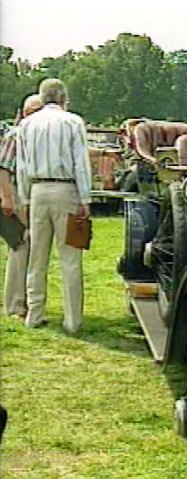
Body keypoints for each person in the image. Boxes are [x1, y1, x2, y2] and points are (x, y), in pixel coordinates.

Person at [16, 79, 92, 333]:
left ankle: (34, 314)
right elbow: (80, 163)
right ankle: (72, 320)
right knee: (70, 257)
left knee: (37, 257)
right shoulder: (73, 122)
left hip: (37, 190)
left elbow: (22, 166)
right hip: (65, 189)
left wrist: (25, 199)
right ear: (63, 98)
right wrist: (85, 198)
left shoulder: (26, 125)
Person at [0, 94, 42, 317]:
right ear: (24, 113)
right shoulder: (15, 135)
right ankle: (15, 304)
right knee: (20, 245)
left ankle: (26, 302)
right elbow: (3, 169)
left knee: (33, 247)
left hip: (33, 193)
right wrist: (7, 199)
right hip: (18, 193)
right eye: (33, 111)